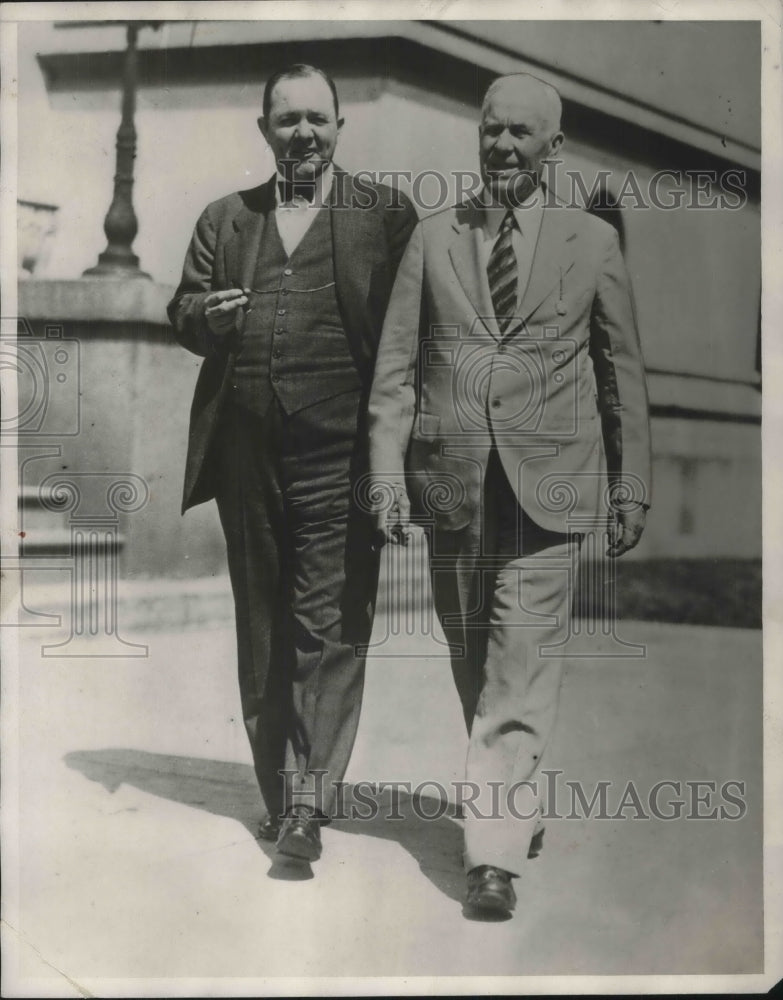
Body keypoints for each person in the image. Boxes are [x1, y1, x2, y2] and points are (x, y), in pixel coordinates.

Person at [367, 73, 651, 916]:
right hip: (452, 483)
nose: (500, 147)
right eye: (490, 131)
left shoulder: (592, 242)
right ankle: (512, 797)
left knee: (517, 667)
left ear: (551, 148)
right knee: (474, 663)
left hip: (549, 484)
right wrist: (385, 478)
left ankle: (489, 856)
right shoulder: (432, 238)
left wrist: (628, 484)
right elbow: (394, 374)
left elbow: (619, 372)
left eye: (520, 134)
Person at [168, 64, 417, 865]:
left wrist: (401, 462)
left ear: (340, 126)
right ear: (264, 131)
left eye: (317, 119)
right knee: (263, 625)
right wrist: (205, 315)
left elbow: (416, 336)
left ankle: (308, 806)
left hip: (340, 452)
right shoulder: (226, 219)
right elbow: (182, 309)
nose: (302, 134)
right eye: (286, 121)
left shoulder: (383, 214)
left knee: (328, 623)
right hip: (245, 450)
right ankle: (278, 797)